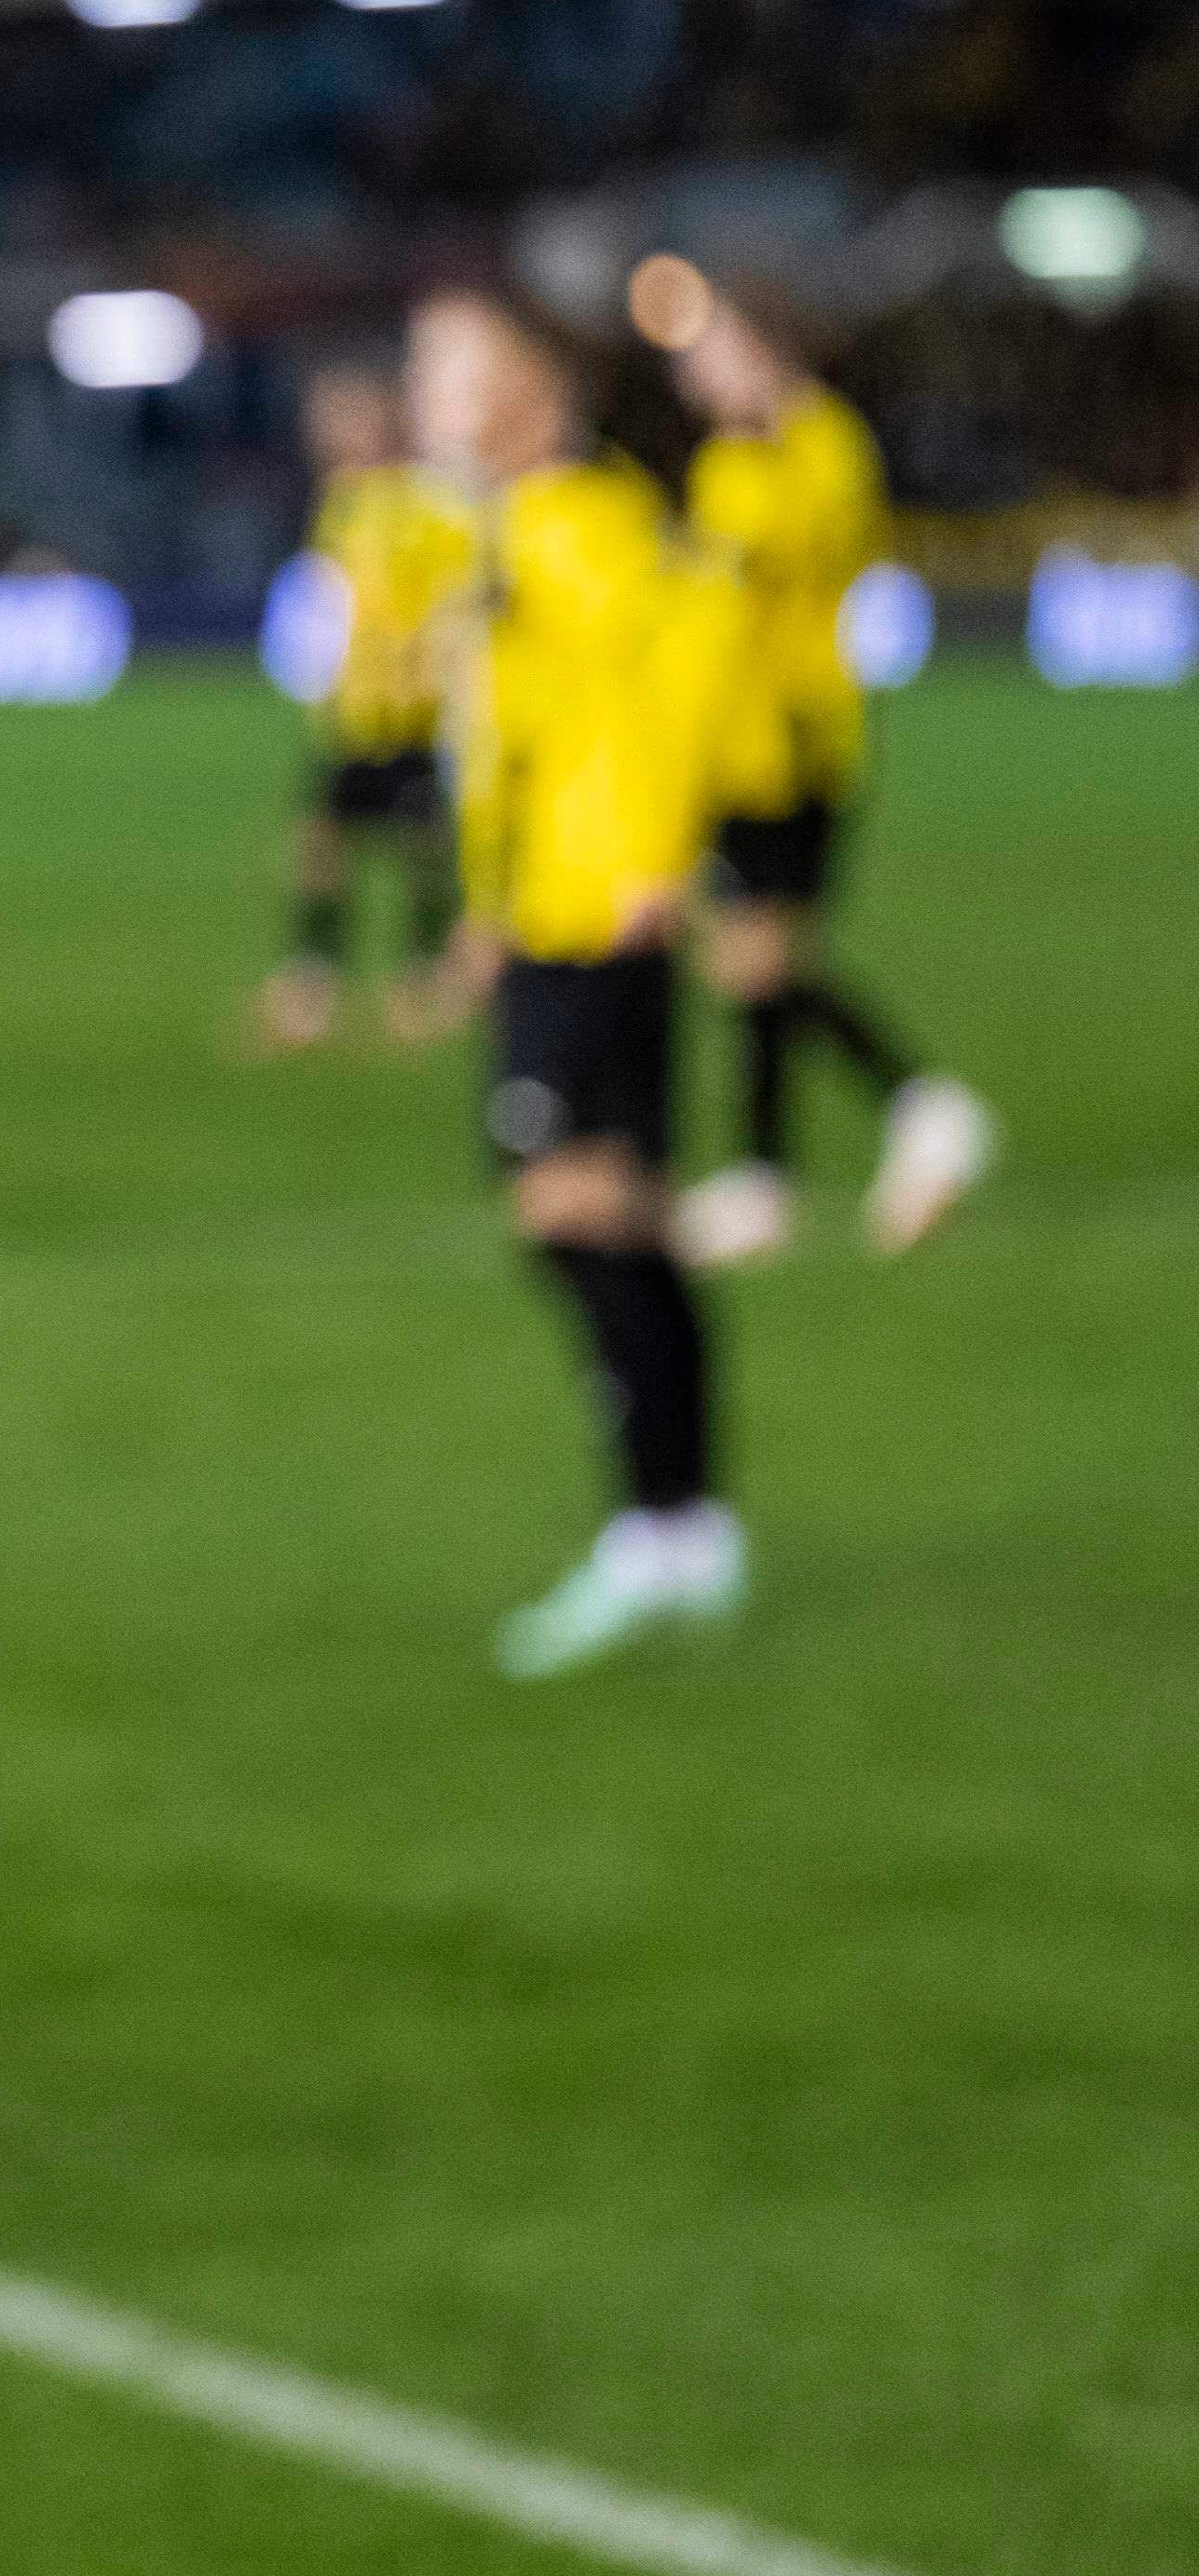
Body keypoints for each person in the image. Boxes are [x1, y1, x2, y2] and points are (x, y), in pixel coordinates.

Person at [411, 290, 743, 1678]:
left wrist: (657, 856)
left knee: (569, 1209)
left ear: (537, 388)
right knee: (614, 1216)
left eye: (458, 366)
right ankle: (682, 1524)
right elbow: (519, 743)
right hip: (543, 913)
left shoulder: (582, 519)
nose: (432, 392)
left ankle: (654, 1525)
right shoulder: (512, 523)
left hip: (596, 918)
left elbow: (698, 643)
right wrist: (480, 909)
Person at [633, 260, 994, 1266]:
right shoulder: (730, 461)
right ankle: (766, 1181)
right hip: (730, 752)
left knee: (759, 963)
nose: (691, 372)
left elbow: (769, 573)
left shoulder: (820, 448)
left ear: (762, 344)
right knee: (757, 970)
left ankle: (920, 1104)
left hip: (788, 747)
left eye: (709, 347)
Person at [256, 359, 474, 1050]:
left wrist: (431, 664)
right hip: (354, 714)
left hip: (413, 714)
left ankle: (422, 974)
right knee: (322, 844)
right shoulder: (342, 501)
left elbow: (453, 590)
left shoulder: (429, 499)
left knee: (424, 847)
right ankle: (316, 972)